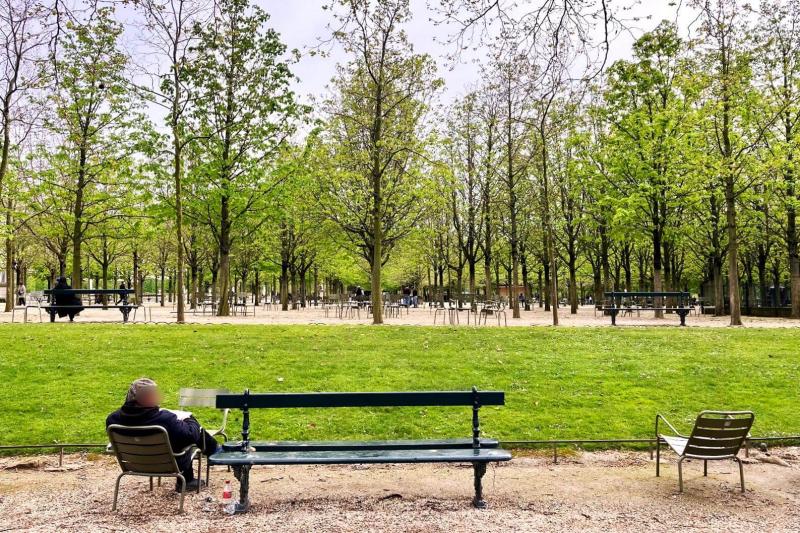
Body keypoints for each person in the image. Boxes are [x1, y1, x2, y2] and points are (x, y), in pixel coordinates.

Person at [106, 378, 219, 491]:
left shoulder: (112, 420)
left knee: (175, 435)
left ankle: (214, 450)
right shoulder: (165, 419)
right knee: (189, 435)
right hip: (169, 464)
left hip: (134, 464)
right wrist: (189, 418)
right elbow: (190, 436)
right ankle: (193, 474)